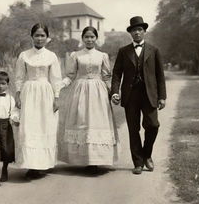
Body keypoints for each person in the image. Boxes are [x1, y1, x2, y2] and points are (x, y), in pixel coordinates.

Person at [111, 16, 166, 175]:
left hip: (150, 95)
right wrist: (115, 92)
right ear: (130, 33)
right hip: (130, 96)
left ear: (144, 32)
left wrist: (162, 96)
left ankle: (147, 155)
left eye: (139, 30)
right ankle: (138, 162)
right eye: (134, 30)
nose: (137, 33)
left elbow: (160, 76)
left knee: (153, 125)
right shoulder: (123, 51)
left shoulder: (154, 50)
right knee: (133, 129)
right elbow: (116, 74)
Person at [58, 26, 118, 171]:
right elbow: (71, 75)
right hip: (81, 91)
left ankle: (95, 161)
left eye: (92, 37)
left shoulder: (102, 55)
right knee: (82, 121)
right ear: (83, 38)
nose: (89, 40)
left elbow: (106, 76)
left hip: (99, 92)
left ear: (96, 38)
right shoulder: (76, 55)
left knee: (97, 122)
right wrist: (60, 85)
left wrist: (114, 92)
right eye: (87, 37)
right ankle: (84, 158)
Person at [15, 23, 62, 178]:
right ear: (32, 37)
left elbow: (56, 79)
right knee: (29, 128)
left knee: (45, 126)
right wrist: (18, 95)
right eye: (37, 35)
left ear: (47, 38)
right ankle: (31, 166)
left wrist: (56, 97)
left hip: (46, 94)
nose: (40, 38)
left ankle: (43, 164)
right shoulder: (24, 55)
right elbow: (20, 77)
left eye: (43, 35)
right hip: (28, 94)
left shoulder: (51, 56)